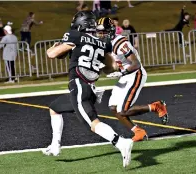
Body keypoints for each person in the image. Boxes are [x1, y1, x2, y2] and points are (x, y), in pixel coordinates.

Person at [43, 11, 133, 168]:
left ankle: (121, 142)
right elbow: (110, 68)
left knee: (93, 123)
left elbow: (52, 54)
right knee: (55, 108)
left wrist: (54, 47)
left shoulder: (75, 36)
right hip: (89, 88)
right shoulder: (102, 42)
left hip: (79, 85)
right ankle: (55, 145)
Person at [96, 17, 169, 142]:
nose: (101, 34)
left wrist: (122, 72)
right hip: (124, 75)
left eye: (104, 31)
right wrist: (101, 68)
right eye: (99, 31)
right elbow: (111, 67)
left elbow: (136, 64)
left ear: (111, 30)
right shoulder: (103, 45)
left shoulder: (120, 42)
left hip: (135, 73)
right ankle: (138, 131)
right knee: (113, 108)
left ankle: (157, 106)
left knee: (123, 110)